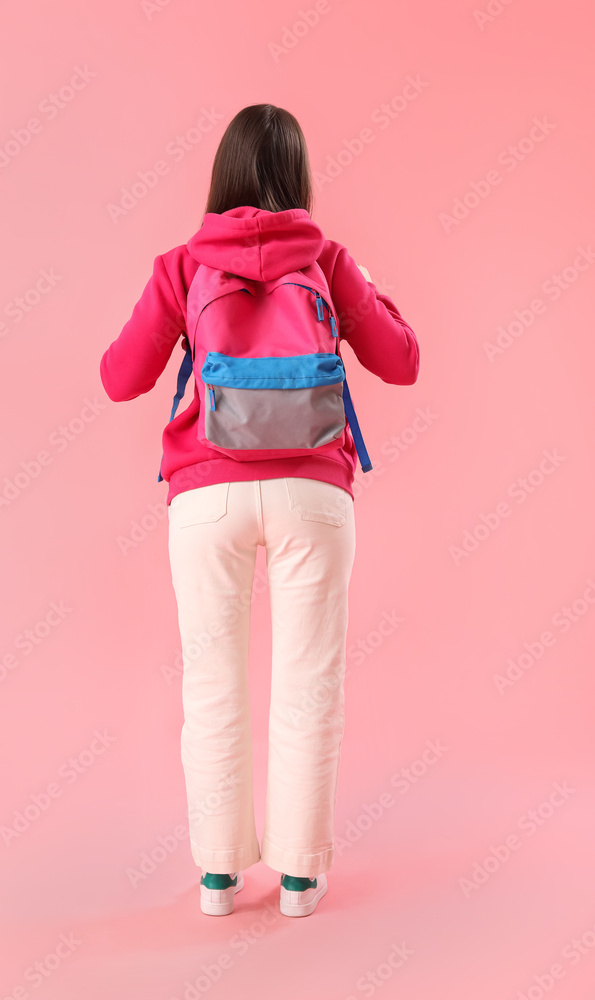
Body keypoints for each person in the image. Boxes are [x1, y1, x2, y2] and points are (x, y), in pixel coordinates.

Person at [100, 103, 420, 918]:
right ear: (299, 175)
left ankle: (217, 878)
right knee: (308, 684)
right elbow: (403, 361)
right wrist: (369, 295)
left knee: (212, 686)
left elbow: (118, 377)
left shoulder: (180, 266)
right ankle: (301, 879)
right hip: (314, 492)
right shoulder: (331, 261)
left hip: (205, 497)